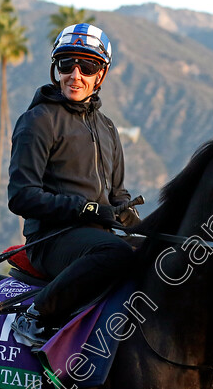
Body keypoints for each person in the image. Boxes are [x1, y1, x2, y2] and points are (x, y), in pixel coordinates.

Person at [8, 23, 139, 346]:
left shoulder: (107, 127)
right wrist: (84, 208)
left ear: (101, 74)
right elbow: (21, 196)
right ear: (57, 69)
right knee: (114, 253)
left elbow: (117, 197)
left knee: (157, 254)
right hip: (50, 239)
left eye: (87, 66)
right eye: (67, 65)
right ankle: (35, 316)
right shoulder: (38, 120)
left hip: (96, 237)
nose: (75, 75)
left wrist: (154, 229)